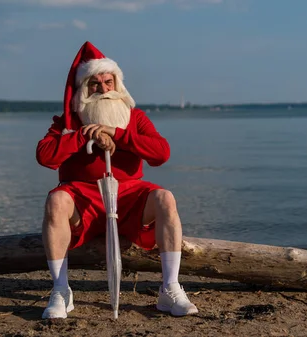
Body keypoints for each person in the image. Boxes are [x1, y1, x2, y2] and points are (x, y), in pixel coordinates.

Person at [36, 41, 198, 319]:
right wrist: (83, 134)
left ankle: (169, 288)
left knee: (165, 198)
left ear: (117, 85)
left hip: (128, 198)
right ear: (84, 89)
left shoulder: (134, 117)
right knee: (56, 200)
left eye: (108, 82)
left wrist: (117, 134)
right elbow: (46, 156)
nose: (102, 89)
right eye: (94, 84)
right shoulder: (68, 121)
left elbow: (161, 154)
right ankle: (61, 290)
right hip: (82, 200)